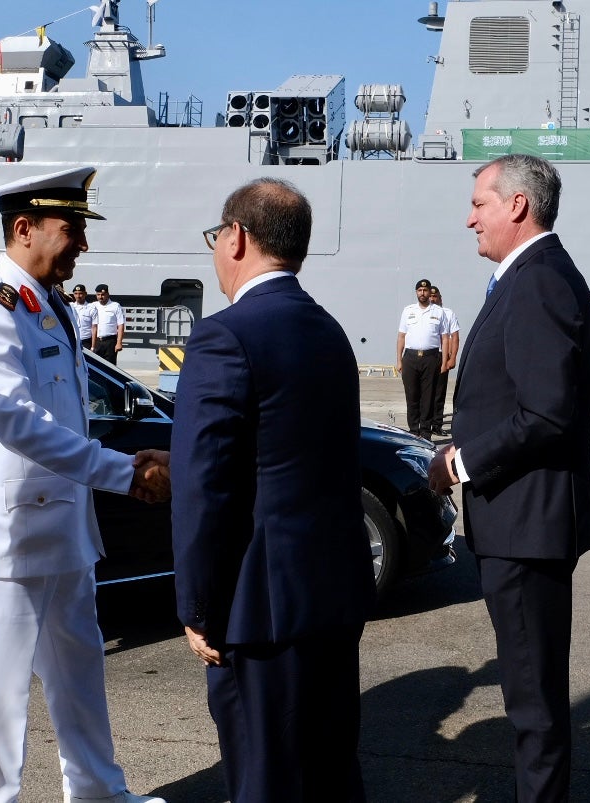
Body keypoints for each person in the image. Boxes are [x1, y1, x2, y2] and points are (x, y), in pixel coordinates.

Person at [0, 166, 166, 803]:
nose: (82, 247)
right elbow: (20, 424)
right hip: (6, 540)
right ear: (24, 228)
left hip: (65, 529)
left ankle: (98, 790)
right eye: (71, 230)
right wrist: (123, 473)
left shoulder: (49, 307)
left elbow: (68, 413)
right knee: (0, 690)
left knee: (79, 669)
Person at [170, 177, 375, 802]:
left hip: (256, 609)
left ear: (237, 237)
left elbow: (204, 485)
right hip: (331, 595)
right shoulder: (329, 330)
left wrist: (197, 607)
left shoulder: (223, 335)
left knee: (264, 780)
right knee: (330, 774)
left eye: (216, 237)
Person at [429, 154, 590, 801]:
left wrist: (460, 462)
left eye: (479, 202)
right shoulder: (528, 277)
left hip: (526, 528)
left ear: (517, 205)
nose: (468, 216)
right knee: (530, 694)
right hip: (519, 523)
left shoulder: (537, 281)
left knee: (531, 703)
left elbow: (546, 412)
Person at [395, 278, 449, 439]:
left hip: (431, 358)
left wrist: (444, 361)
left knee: (428, 396)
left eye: (425, 290)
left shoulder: (439, 312)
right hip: (410, 358)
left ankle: (425, 433)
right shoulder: (408, 311)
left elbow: (445, 338)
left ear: (429, 292)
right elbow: (401, 337)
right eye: (420, 290)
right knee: (412, 396)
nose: (423, 293)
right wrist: (399, 359)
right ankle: (413, 430)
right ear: (416, 292)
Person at [428, 285, 461, 435]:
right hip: (428, 357)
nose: (433, 299)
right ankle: (424, 424)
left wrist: (452, 357)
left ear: (440, 298)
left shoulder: (448, 313)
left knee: (439, 393)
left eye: (435, 297)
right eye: (431, 297)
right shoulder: (423, 313)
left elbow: (454, 337)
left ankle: (436, 425)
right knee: (425, 392)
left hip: (443, 356)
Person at [90, 283, 125, 363]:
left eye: (103, 294)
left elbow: (121, 325)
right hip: (96, 341)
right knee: (96, 365)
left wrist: (119, 343)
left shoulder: (115, 306)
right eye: (98, 295)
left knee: (110, 366)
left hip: (110, 342)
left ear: (107, 294)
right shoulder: (93, 306)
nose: (100, 297)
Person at [70, 282, 96, 347]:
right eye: (76, 294)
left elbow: (94, 328)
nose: (78, 296)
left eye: (80, 293)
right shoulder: (70, 306)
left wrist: (93, 346)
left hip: (86, 341)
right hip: (72, 339)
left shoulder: (91, 308)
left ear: (85, 294)